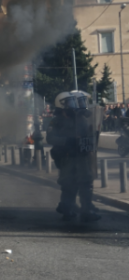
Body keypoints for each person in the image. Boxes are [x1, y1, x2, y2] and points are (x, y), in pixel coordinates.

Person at [48, 91, 100, 223]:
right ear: (61, 105)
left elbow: (87, 134)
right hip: (67, 156)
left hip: (81, 155)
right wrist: (68, 141)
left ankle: (86, 209)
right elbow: (50, 138)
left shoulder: (79, 118)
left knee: (86, 182)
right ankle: (67, 208)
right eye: (69, 103)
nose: (73, 106)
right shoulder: (56, 121)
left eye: (73, 102)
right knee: (68, 184)